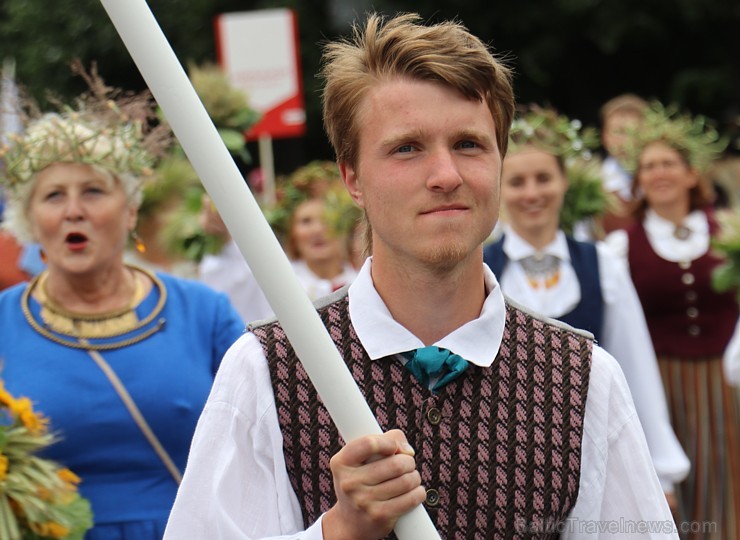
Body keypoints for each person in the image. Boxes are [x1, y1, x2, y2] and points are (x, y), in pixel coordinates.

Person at [166, 13, 677, 539]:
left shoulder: (582, 378)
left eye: (469, 145)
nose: (446, 176)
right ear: (353, 178)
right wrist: (335, 532)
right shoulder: (268, 368)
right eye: (406, 148)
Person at [0, 74, 245, 539]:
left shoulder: (204, 313)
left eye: (93, 191)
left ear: (130, 209)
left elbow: (262, 440)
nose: (74, 210)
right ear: (31, 220)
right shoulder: (2, 323)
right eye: (53, 195)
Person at [483, 106, 689, 505]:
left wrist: (661, 469)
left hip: (594, 453)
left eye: (543, 178)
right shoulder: (480, 267)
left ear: (564, 183)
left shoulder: (602, 263)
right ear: (500, 188)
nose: (531, 193)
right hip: (505, 456)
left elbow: (635, 364)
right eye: (517, 181)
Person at [605, 102, 739, 539]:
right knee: (668, 490)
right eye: (648, 166)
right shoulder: (622, 245)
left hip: (726, 383)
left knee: (727, 480)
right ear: (638, 180)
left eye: (668, 163)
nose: (658, 173)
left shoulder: (726, 229)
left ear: (690, 173)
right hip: (660, 385)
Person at [198, 160, 359, 323]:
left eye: (326, 220)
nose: (317, 230)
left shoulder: (364, 281)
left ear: (345, 228)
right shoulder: (275, 282)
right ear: (293, 234)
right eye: (306, 221)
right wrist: (223, 235)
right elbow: (231, 281)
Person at [599, 93, 648, 234]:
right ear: (605, 136)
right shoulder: (595, 183)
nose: (626, 141)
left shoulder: (660, 179)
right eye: (619, 132)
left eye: (634, 132)